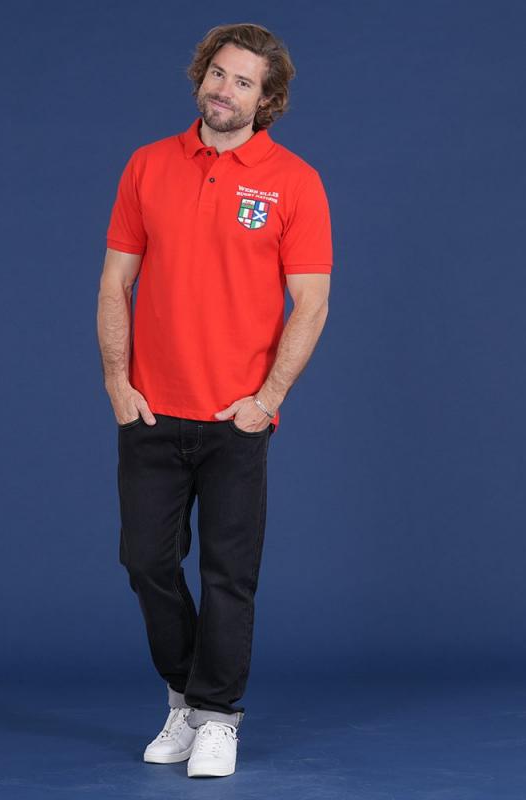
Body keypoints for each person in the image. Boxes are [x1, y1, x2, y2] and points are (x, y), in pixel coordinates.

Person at [96, 22, 333, 778]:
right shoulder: (147, 165)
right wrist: (117, 381)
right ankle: (184, 700)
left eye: (243, 82)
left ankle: (219, 717)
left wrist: (268, 397)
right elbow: (116, 281)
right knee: (146, 562)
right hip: (152, 411)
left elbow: (312, 303)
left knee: (230, 576)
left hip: (237, 419)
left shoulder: (295, 181)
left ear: (267, 100)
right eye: (218, 74)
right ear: (201, 74)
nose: (224, 90)